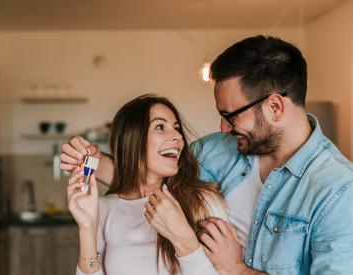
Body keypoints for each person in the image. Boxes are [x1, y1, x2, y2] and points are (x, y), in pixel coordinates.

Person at [61, 35, 353, 275]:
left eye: (231, 115)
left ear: (275, 107)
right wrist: (90, 162)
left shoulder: (337, 191)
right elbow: (148, 179)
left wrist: (237, 269)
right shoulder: (219, 151)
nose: (223, 128)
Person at [67, 94, 228, 275]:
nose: (177, 136)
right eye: (160, 127)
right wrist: (87, 228)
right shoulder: (105, 208)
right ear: (132, 140)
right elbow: (91, 266)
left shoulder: (204, 201)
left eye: (176, 128)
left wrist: (185, 239)